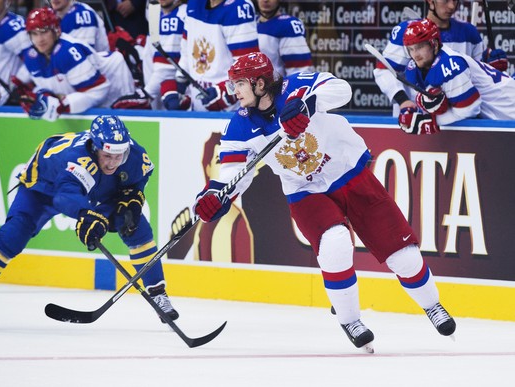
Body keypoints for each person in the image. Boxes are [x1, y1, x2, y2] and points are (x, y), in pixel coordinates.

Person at [193, 52, 456, 352]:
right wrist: (216, 196)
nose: (234, 91)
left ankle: (432, 305)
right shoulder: (239, 126)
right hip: (305, 191)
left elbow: (342, 89)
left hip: (349, 172)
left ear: (260, 84)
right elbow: (233, 172)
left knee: (402, 254)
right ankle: (350, 320)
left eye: (239, 84)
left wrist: (307, 105)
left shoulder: (297, 86)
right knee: (335, 245)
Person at [0, 114, 179, 330]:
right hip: (44, 186)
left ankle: (158, 294)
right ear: (95, 147)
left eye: (119, 156)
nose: (113, 163)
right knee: (14, 234)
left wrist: (131, 199)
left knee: (134, 224)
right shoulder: (75, 159)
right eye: (108, 156)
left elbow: (134, 184)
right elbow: (64, 197)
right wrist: (87, 215)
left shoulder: (135, 156)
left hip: (93, 186)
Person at [373, 0, 507, 115]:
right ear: (430, 1)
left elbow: (479, 76)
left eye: (455, 0)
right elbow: (384, 71)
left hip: (457, 119)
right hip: (415, 119)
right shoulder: (407, 32)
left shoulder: (469, 32)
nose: (451, 6)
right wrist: (403, 100)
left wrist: (492, 67)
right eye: (446, 1)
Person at [14, 7, 142, 122]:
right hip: (88, 90)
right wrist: (41, 97)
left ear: (56, 31)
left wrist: (61, 105)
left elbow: (98, 90)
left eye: (44, 32)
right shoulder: (31, 56)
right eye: (34, 34)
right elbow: (53, 88)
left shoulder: (67, 51)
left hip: (115, 83)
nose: (40, 39)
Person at [399, 19, 515, 134]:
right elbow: (433, 101)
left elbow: (469, 109)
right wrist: (417, 109)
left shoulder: (450, 65)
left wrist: (430, 122)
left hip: (509, 109)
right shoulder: (414, 68)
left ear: (434, 44)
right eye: (411, 49)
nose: (415, 54)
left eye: (420, 47)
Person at [169, 132, 254, 262]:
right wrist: (175, 253)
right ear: (208, 167)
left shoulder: (235, 221)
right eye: (219, 160)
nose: (225, 165)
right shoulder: (202, 223)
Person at [177, 0, 259, 112]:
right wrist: (179, 82)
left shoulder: (238, 7)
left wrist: (226, 93)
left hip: (231, 110)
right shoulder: (194, 4)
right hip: (196, 106)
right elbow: (187, 49)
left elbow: (250, 68)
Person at [142, 0, 190, 111]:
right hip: (155, 86)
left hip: (179, 85)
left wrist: (148, 92)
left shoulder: (185, 14)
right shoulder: (154, 13)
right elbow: (149, 55)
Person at [256, 0, 312, 77]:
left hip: (275, 87)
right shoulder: (248, 24)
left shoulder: (288, 25)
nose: (265, 0)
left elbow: (300, 71)